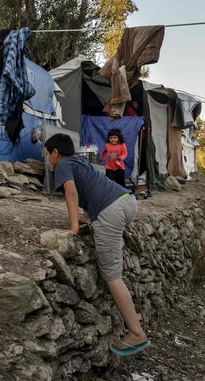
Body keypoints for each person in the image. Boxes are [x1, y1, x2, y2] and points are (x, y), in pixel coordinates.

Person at [44, 133, 149, 356]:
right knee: (114, 269)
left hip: (110, 211)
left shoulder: (62, 165)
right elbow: (89, 188)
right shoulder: (79, 161)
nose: (48, 160)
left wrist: (73, 228)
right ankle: (136, 329)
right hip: (126, 201)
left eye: (47, 154)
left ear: (55, 152)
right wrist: (87, 217)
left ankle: (136, 332)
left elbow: (71, 193)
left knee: (112, 276)